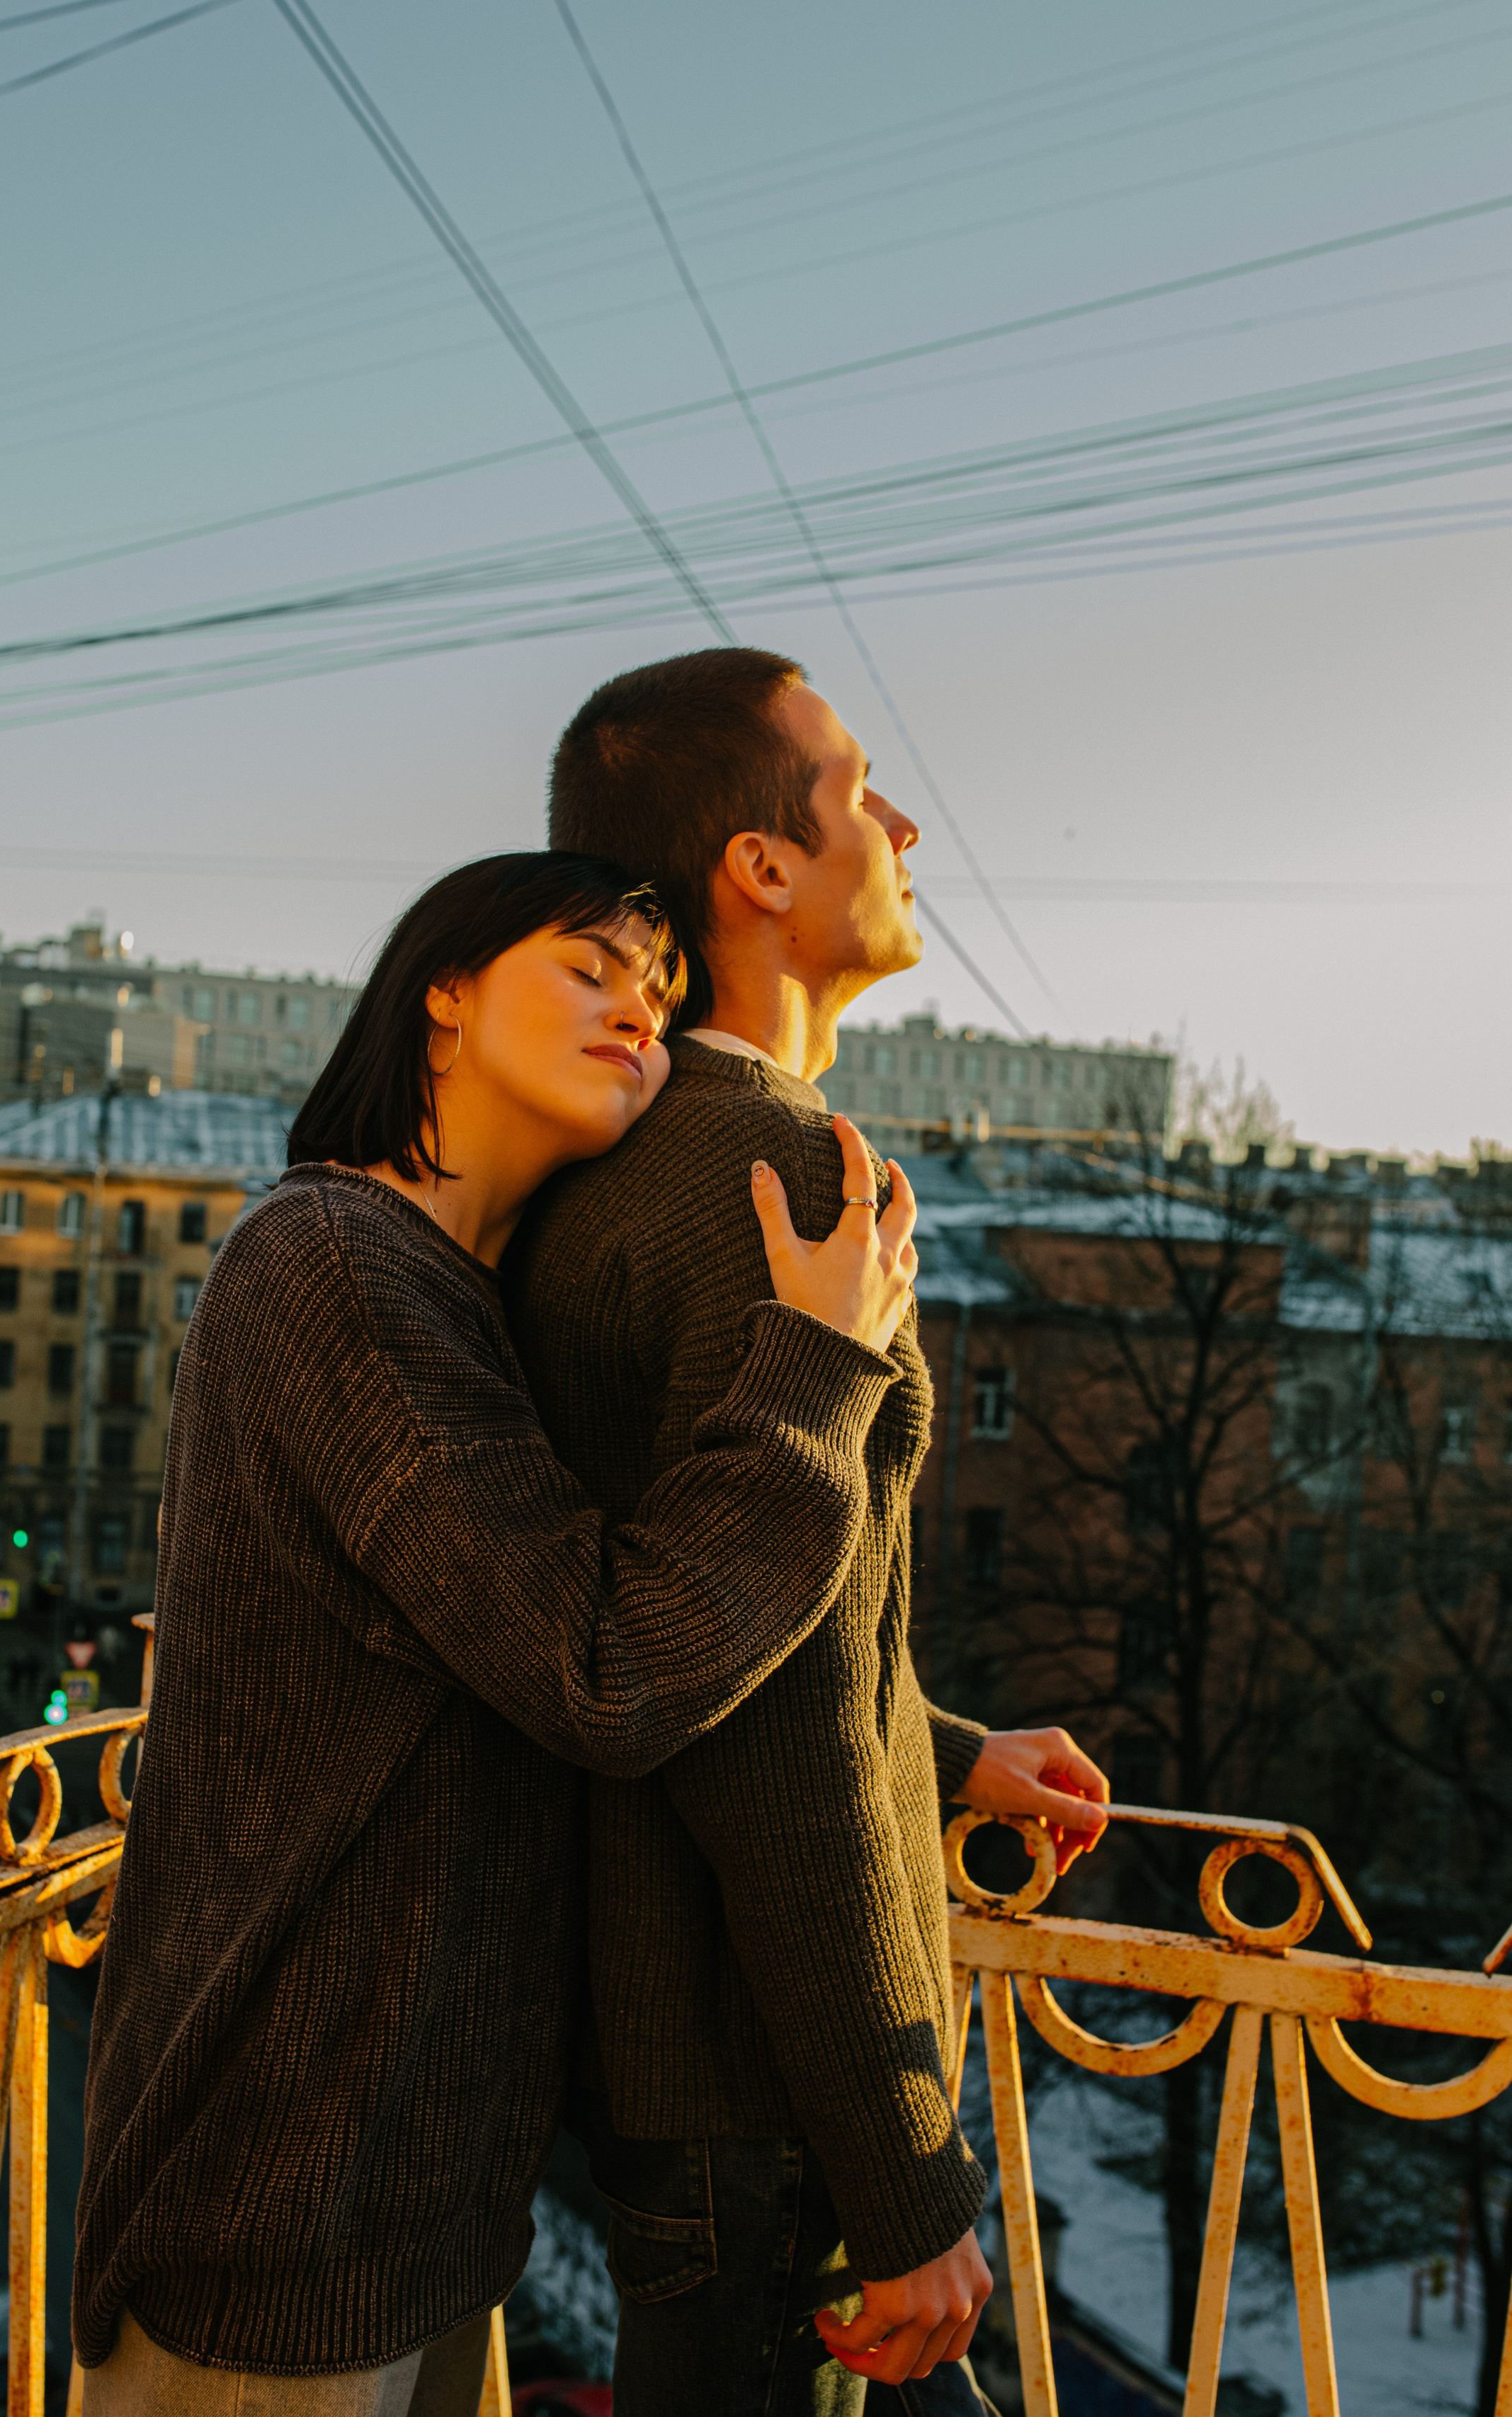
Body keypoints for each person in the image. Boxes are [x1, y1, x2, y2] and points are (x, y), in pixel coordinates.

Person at [74, 850, 930, 2416]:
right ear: (445, 996)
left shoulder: (451, 1291)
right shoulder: (335, 1269)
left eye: (658, 993)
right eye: (589, 969)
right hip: (281, 2206)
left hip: (411, 2196)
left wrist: (938, 1740)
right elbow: (603, 1670)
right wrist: (813, 1367)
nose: (638, 1014)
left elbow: (559, 1609)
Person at [510, 651, 1110, 2415]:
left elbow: (726, 1611)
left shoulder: (642, 1164)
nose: (901, 824)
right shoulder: (776, 1182)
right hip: (766, 2101)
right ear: (760, 868)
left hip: (700, 2074)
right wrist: (903, 2170)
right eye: (857, 788)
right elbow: (767, 1727)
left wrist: (946, 1750)